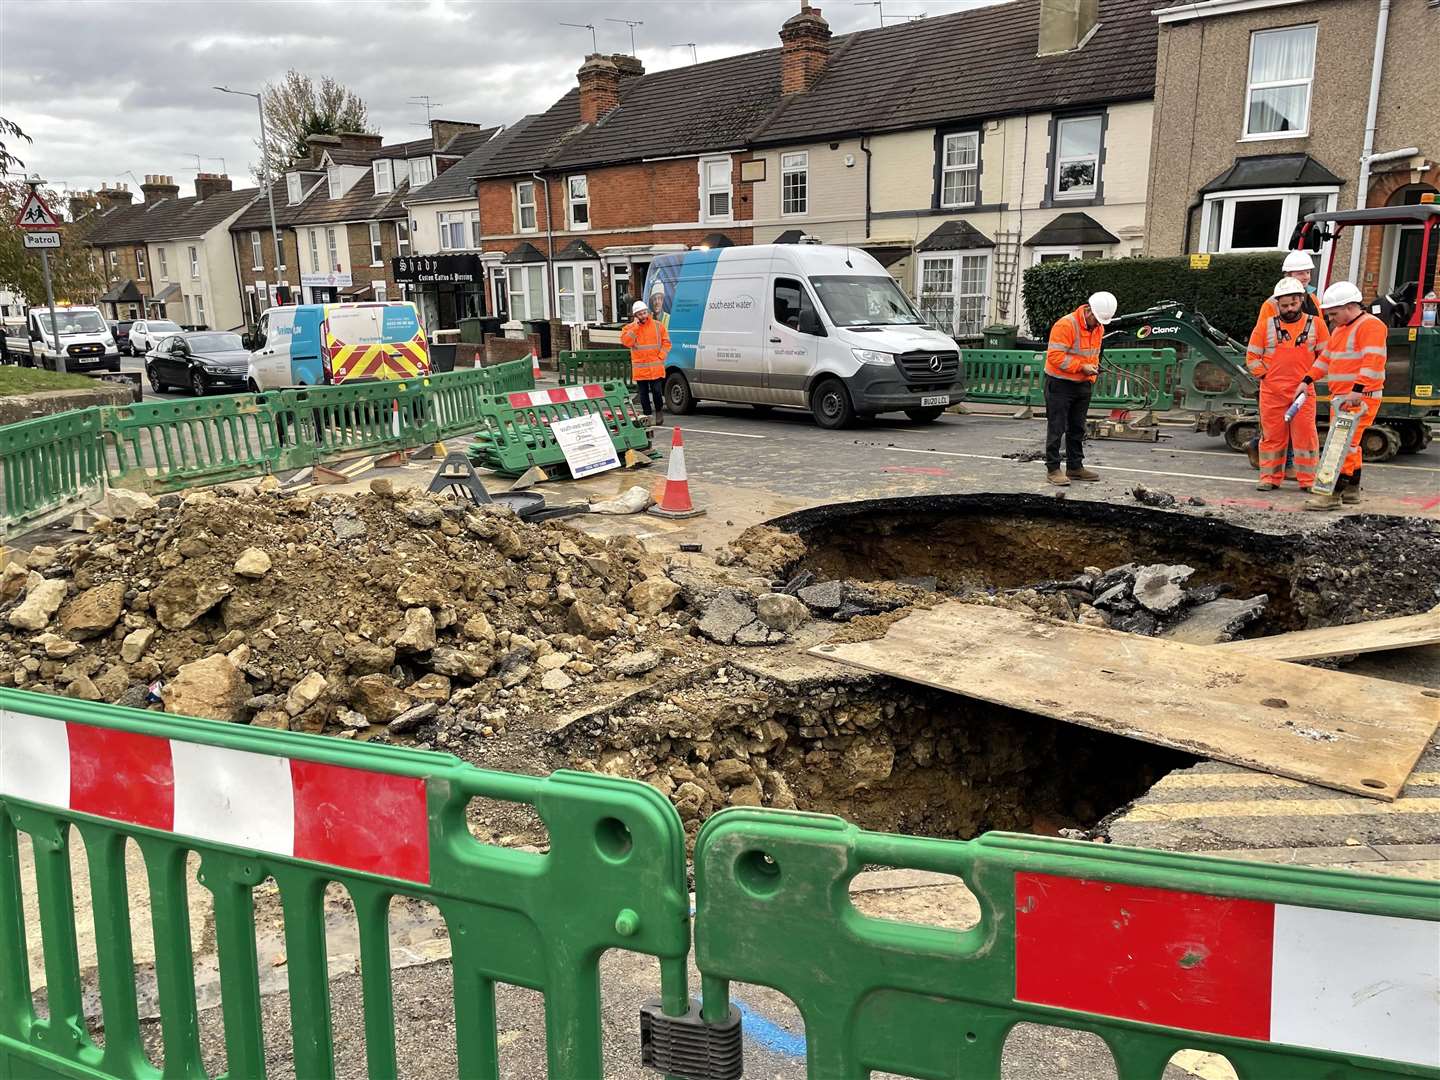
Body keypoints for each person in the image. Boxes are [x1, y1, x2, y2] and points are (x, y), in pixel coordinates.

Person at [1306, 280, 1387, 510]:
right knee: (1350, 444)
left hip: (1359, 397)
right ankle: (1351, 490)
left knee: (1341, 445)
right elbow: (1325, 359)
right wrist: (1307, 379)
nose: (1330, 319)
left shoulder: (1371, 326)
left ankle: (1330, 494)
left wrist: (1357, 391)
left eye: (1333, 313)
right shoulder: (1341, 329)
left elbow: (1372, 362)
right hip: (1344, 398)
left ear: (1350, 307)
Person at [1245, 277, 1327, 492]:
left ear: (1301, 300)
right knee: (1272, 437)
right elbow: (1252, 357)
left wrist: (1310, 379)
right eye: (1284, 306)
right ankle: (1269, 478)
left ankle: (1308, 480)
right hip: (1272, 392)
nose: (1289, 309)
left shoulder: (1316, 324)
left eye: (1293, 304)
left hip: (1302, 392)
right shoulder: (1265, 326)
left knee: (1306, 437)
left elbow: (1326, 357)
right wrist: (1266, 377)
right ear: (1277, 304)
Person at [1042, 290, 1116, 485]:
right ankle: (1053, 469)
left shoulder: (1098, 327)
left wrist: (1091, 372)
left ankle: (1075, 467)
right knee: (1056, 427)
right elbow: (1055, 357)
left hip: (1082, 383)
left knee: (1077, 427)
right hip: (1060, 383)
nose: (1100, 324)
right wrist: (1082, 367)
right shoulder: (1066, 325)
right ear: (1089, 311)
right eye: (1098, 320)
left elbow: (1092, 353)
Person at [620, 298, 670, 425]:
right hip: (641, 368)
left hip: (655, 366)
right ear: (635, 315)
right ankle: (648, 415)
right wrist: (635, 328)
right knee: (643, 394)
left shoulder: (658, 326)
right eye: (640, 314)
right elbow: (626, 342)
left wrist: (661, 356)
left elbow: (666, 343)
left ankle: (658, 411)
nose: (643, 316)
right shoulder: (629, 328)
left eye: (644, 313)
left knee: (657, 391)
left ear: (647, 312)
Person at [1255, 250, 1320, 325]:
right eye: (1300, 273)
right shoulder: (1270, 304)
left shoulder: (1313, 298)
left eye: (1308, 272)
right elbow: (1262, 332)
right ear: (1288, 276)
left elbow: (1321, 326)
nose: (1306, 277)